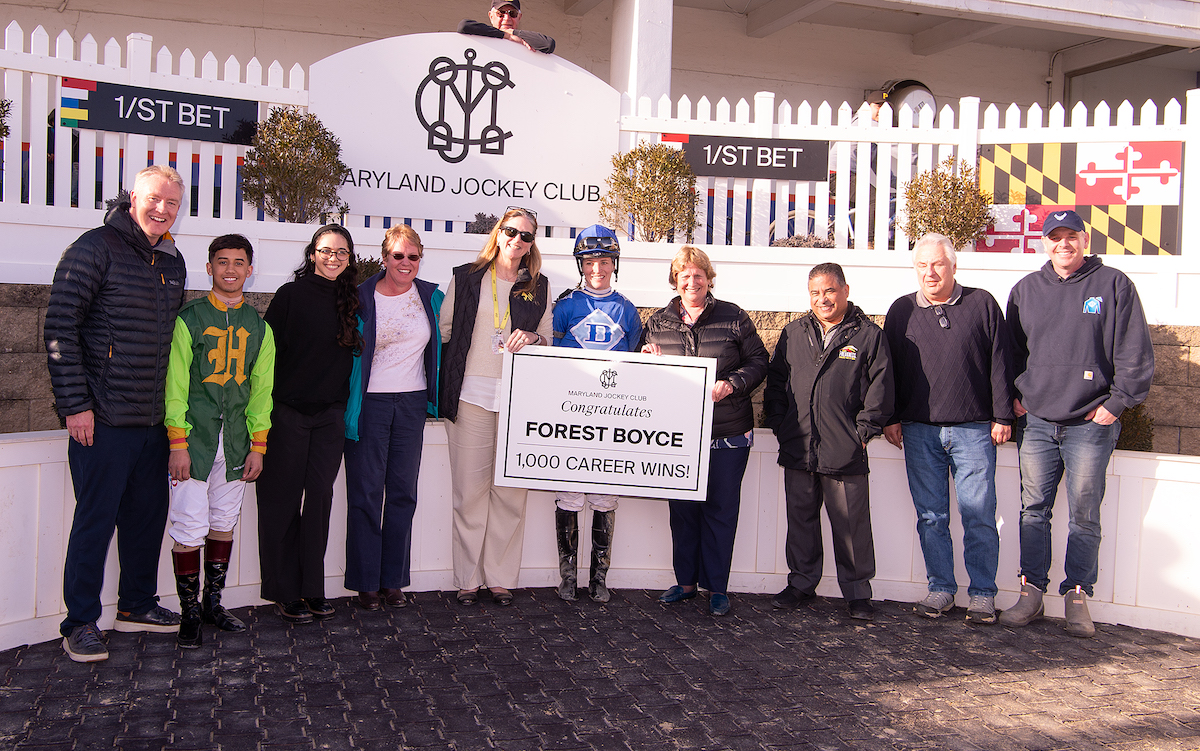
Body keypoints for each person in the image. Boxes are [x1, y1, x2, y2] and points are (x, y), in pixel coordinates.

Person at [44, 164, 188, 662]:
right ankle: (80, 621)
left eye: (172, 203)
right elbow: (61, 327)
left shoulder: (173, 260)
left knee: (147, 520)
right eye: (154, 199)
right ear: (132, 197)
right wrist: (75, 405)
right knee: (95, 521)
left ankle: (137, 606)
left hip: (151, 422)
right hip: (101, 420)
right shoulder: (94, 247)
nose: (162, 210)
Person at [1000, 210, 1154, 637]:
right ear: (1043, 242)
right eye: (1055, 237)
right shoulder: (1026, 290)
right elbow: (1010, 353)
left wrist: (1118, 402)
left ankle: (1077, 595)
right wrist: (1014, 396)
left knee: (1084, 514)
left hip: (1091, 422)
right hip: (1039, 423)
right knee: (1034, 511)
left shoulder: (1113, 284)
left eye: (1071, 236)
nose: (1063, 244)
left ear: (1084, 240)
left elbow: (1134, 350)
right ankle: (1031, 591)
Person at [882, 234, 1014, 625]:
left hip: (974, 430)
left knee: (979, 515)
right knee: (931, 517)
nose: (930, 272)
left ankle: (983, 594)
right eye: (922, 266)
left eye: (937, 264)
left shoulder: (982, 303)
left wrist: (1004, 415)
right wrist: (890, 417)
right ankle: (941, 589)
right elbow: (886, 371)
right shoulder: (901, 310)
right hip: (919, 431)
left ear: (954, 266)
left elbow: (1000, 362)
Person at [641, 246, 768, 617]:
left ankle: (717, 588)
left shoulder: (734, 316)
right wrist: (645, 359)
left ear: (708, 279)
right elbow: (640, 370)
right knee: (682, 511)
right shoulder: (658, 322)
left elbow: (759, 361)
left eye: (698, 274)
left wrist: (732, 383)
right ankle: (685, 583)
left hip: (728, 433)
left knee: (721, 510)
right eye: (685, 275)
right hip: (678, 435)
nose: (692, 281)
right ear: (675, 281)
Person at [763, 262, 893, 621]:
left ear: (845, 291)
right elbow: (776, 385)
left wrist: (863, 433)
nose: (823, 299)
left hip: (844, 450)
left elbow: (880, 391)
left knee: (852, 525)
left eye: (829, 291)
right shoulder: (793, 333)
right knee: (801, 521)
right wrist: (780, 423)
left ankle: (857, 593)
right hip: (799, 446)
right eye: (815, 293)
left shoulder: (868, 336)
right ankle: (802, 583)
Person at [165, 234, 275, 648]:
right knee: (190, 526)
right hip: (195, 440)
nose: (231, 269)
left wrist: (258, 446)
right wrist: (177, 441)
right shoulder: (189, 318)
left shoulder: (259, 328)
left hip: (236, 445)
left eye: (239, 262)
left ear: (250, 269)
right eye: (222, 261)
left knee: (223, 524)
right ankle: (188, 611)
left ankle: (213, 603)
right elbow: (175, 383)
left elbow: (262, 393)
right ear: (209, 268)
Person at [440, 207, 552, 606]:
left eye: (526, 236)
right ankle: (467, 578)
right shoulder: (466, 277)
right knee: (469, 493)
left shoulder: (538, 286)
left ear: (531, 243)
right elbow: (446, 332)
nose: (517, 240)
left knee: (510, 493)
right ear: (498, 233)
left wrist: (534, 340)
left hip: (518, 400)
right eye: (511, 231)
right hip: (470, 396)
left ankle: (500, 577)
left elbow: (547, 339)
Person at [257, 225, 361, 624]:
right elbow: (265, 360)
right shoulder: (289, 296)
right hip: (287, 414)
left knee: (319, 500)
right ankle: (284, 591)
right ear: (312, 254)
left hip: (330, 417)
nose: (333, 257)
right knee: (281, 501)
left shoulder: (353, 300)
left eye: (341, 252)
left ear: (349, 258)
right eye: (325, 251)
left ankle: (312, 589)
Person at [343, 225, 443, 612]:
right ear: (385, 257)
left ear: (421, 259)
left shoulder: (432, 297)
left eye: (413, 257)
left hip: (412, 403)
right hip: (369, 404)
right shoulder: (360, 297)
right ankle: (366, 582)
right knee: (366, 494)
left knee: (403, 493)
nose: (405, 263)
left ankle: (393, 580)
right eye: (398, 256)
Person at [551, 225, 643, 604]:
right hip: (572, 417)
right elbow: (550, 358)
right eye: (590, 262)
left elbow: (636, 362)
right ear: (580, 264)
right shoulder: (566, 305)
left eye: (604, 261)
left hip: (612, 420)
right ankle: (568, 576)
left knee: (605, 497)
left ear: (614, 263)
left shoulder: (627, 309)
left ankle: (599, 578)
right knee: (570, 495)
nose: (597, 269)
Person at [458, 0, 556, 54]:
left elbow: (548, 44)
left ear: (519, 17)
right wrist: (506, 35)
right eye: (501, 13)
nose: (507, 18)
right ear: (491, 16)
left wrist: (513, 33)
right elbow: (464, 26)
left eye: (512, 13)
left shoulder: (524, 39)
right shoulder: (483, 34)